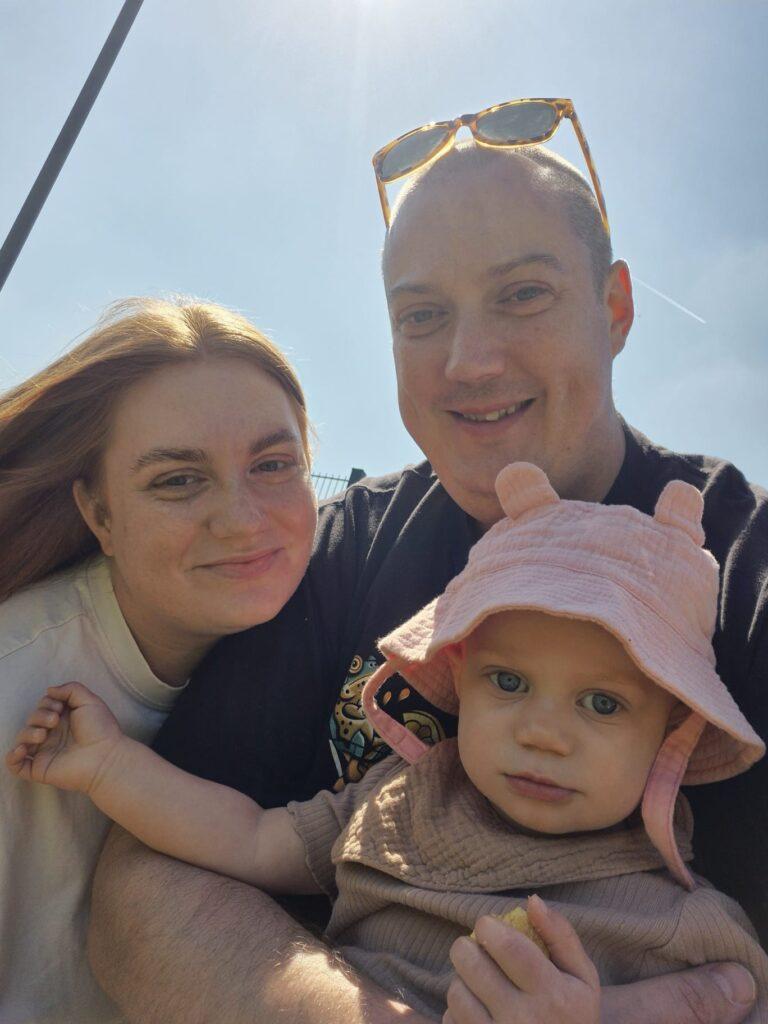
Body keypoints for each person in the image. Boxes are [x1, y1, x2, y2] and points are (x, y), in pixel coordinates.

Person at [88, 132, 768, 1024]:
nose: (468, 362)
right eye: (421, 316)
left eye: (523, 294)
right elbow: (140, 889)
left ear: (615, 308)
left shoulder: (741, 569)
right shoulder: (339, 547)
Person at [9, 462, 768, 1024]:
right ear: (459, 677)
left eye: (602, 703)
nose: (542, 731)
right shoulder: (399, 802)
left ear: (671, 731)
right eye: (508, 683)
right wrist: (111, 766)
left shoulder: (678, 916)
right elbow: (244, 836)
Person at [0, 297, 317, 1023]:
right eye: (178, 479)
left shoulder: (337, 644)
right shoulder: (15, 679)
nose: (241, 519)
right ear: (99, 514)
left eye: (273, 465)